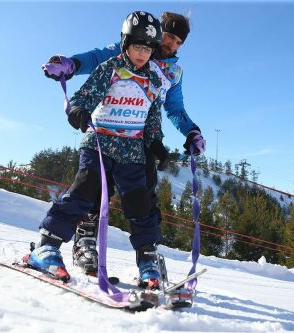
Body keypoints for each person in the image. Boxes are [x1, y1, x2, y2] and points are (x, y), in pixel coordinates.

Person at [42, 12, 206, 283]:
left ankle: (149, 257)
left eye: (179, 42)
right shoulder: (128, 51)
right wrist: (71, 65)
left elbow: (173, 108)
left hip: (140, 141)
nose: (172, 45)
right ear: (155, 31)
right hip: (105, 132)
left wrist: (191, 130)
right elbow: (96, 59)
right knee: (91, 189)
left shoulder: (172, 72)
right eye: (169, 36)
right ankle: (84, 243)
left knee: (144, 198)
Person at [26, 11, 166, 286]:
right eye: (137, 45)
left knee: (140, 203)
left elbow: (152, 117)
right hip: (99, 142)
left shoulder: (155, 80)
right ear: (125, 43)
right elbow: (84, 95)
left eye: (148, 47)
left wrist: (157, 142)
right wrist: (78, 109)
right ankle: (46, 246)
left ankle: (148, 260)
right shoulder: (111, 68)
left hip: (131, 151)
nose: (142, 53)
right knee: (85, 192)